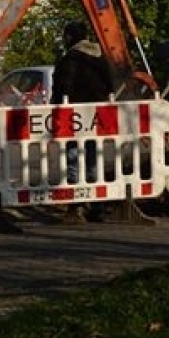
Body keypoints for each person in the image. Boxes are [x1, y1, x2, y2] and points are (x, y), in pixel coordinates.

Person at [52, 20, 116, 222]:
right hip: (96, 116)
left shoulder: (71, 59)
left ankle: (76, 206)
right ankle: (97, 206)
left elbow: (64, 86)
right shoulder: (100, 57)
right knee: (92, 159)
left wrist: (57, 104)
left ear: (70, 37)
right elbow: (110, 86)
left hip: (73, 116)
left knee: (73, 158)